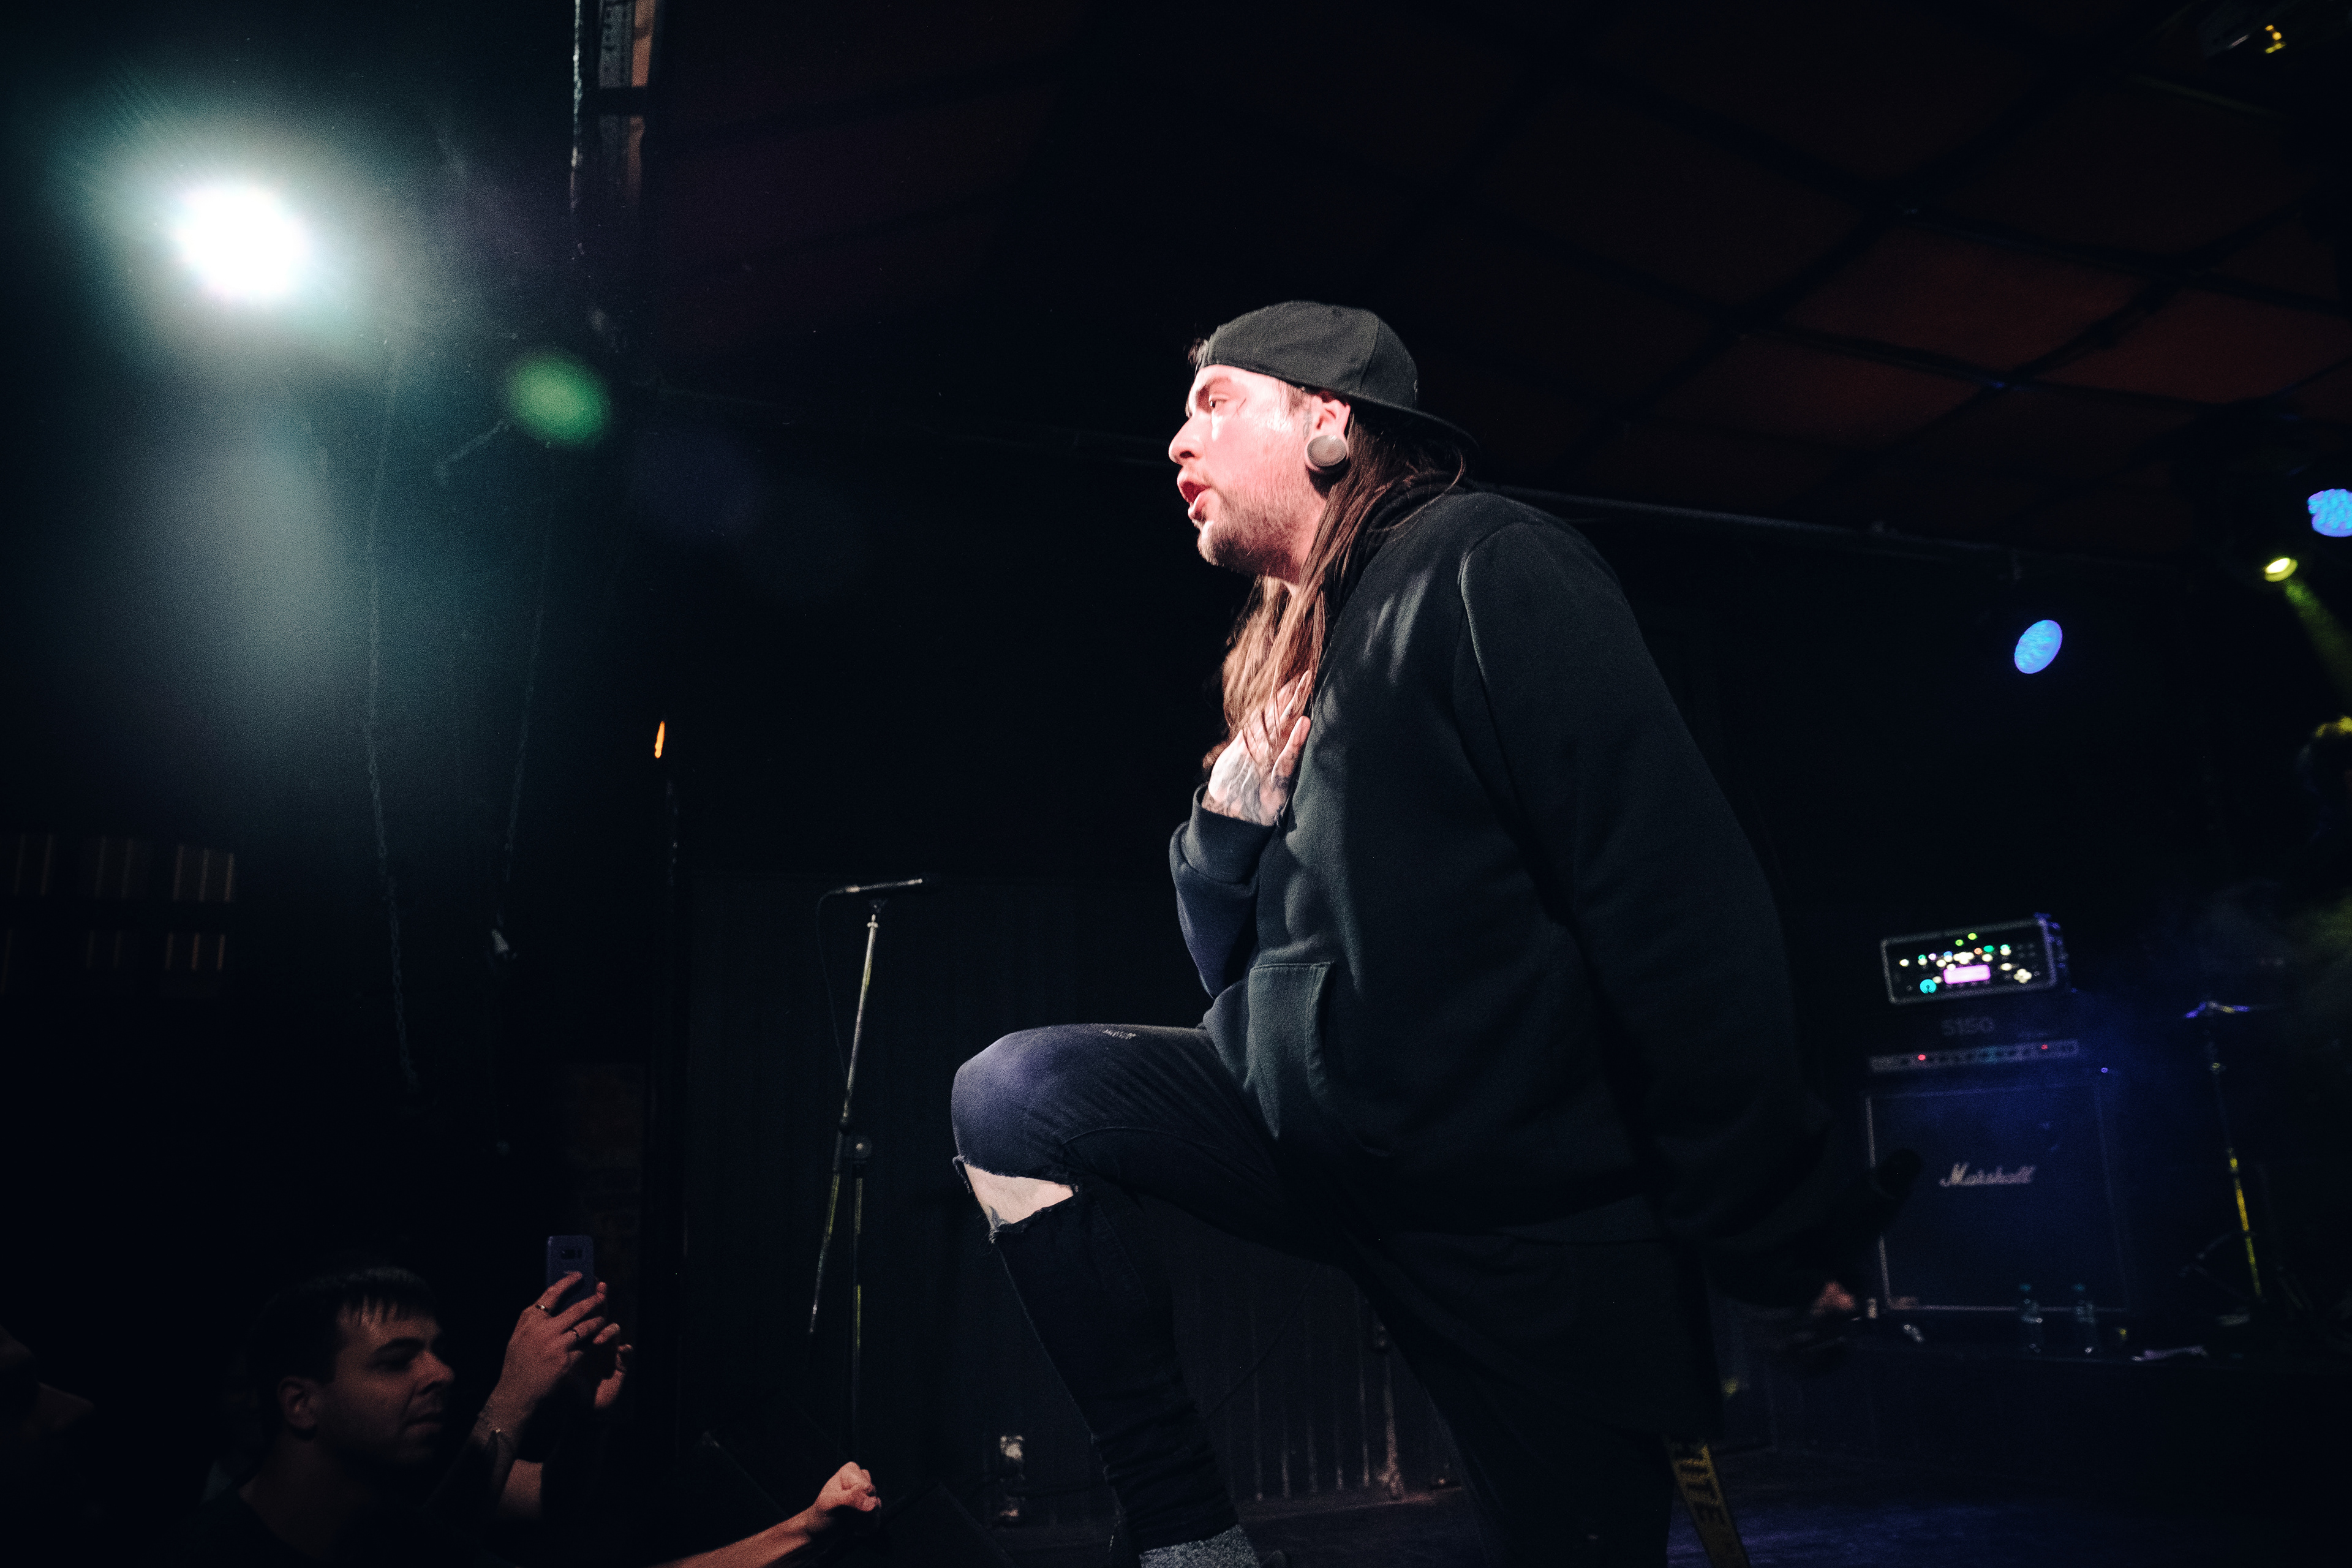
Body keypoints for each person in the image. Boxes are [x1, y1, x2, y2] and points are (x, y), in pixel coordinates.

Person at [950, 302, 1882, 1567]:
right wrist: (1225, 824)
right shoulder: (1291, 656)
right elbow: (1230, 971)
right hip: (1330, 1154)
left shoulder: (1485, 560)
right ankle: (1188, 1538)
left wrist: (1765, 1221)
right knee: (1020, 1093)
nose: (1177, 441)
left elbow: (1671, 902)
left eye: (1215, 402)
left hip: (1515, 1224)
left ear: (1329, 420)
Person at [168, 1263, 877, 1567]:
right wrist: (511, 1396)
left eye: (436, 1351)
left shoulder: (383, 1525)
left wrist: (807, 1527)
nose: (441, 1373)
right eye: (396, 1360)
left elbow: (542, 1499)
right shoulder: (209, 1554)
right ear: (300, 1402)